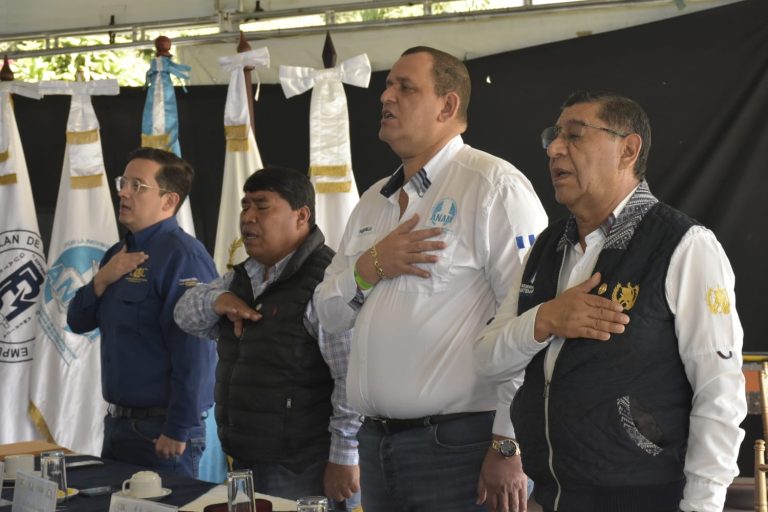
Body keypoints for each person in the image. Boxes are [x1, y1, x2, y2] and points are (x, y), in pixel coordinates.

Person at [473, 91, 747, 512]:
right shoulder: (546, 247)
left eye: (574, 135)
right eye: (553, 136)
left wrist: (702, 506)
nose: (554, 149)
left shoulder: (686, 245)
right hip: (552, 495)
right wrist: (544, 320)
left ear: (628, 150)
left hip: (647, 497)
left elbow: (719, 393)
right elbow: (487, 360)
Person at [314, 46, 548, 512]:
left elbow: (532, 322)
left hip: (461, 447)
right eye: (388, 86)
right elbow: (328, 314)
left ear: (447, 105)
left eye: (406, 87)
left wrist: (509, 442)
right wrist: (370, 266)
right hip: (376, 446)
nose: (386, 97)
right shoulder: (372, 202)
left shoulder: (492, 186)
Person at [173, 167, 361, 509]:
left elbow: (351, 379)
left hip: (305, 466)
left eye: (262, 206)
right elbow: (183, 314)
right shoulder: (245, 276)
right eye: (245, 206)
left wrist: (344, 456)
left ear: (301, 216)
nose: (248, 217)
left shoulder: (326, 282)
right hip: (245, 460)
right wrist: (218, 300)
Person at [67, 147, 217, 478]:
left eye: (137, 186)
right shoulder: (118, 253)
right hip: (118, 423)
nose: (123, 192)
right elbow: (77, 321)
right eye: (123, 182)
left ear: (169, 200)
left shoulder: (183, 256)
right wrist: (102, 279)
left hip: (161, 430)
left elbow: (195, 351)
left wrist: (178, 427)